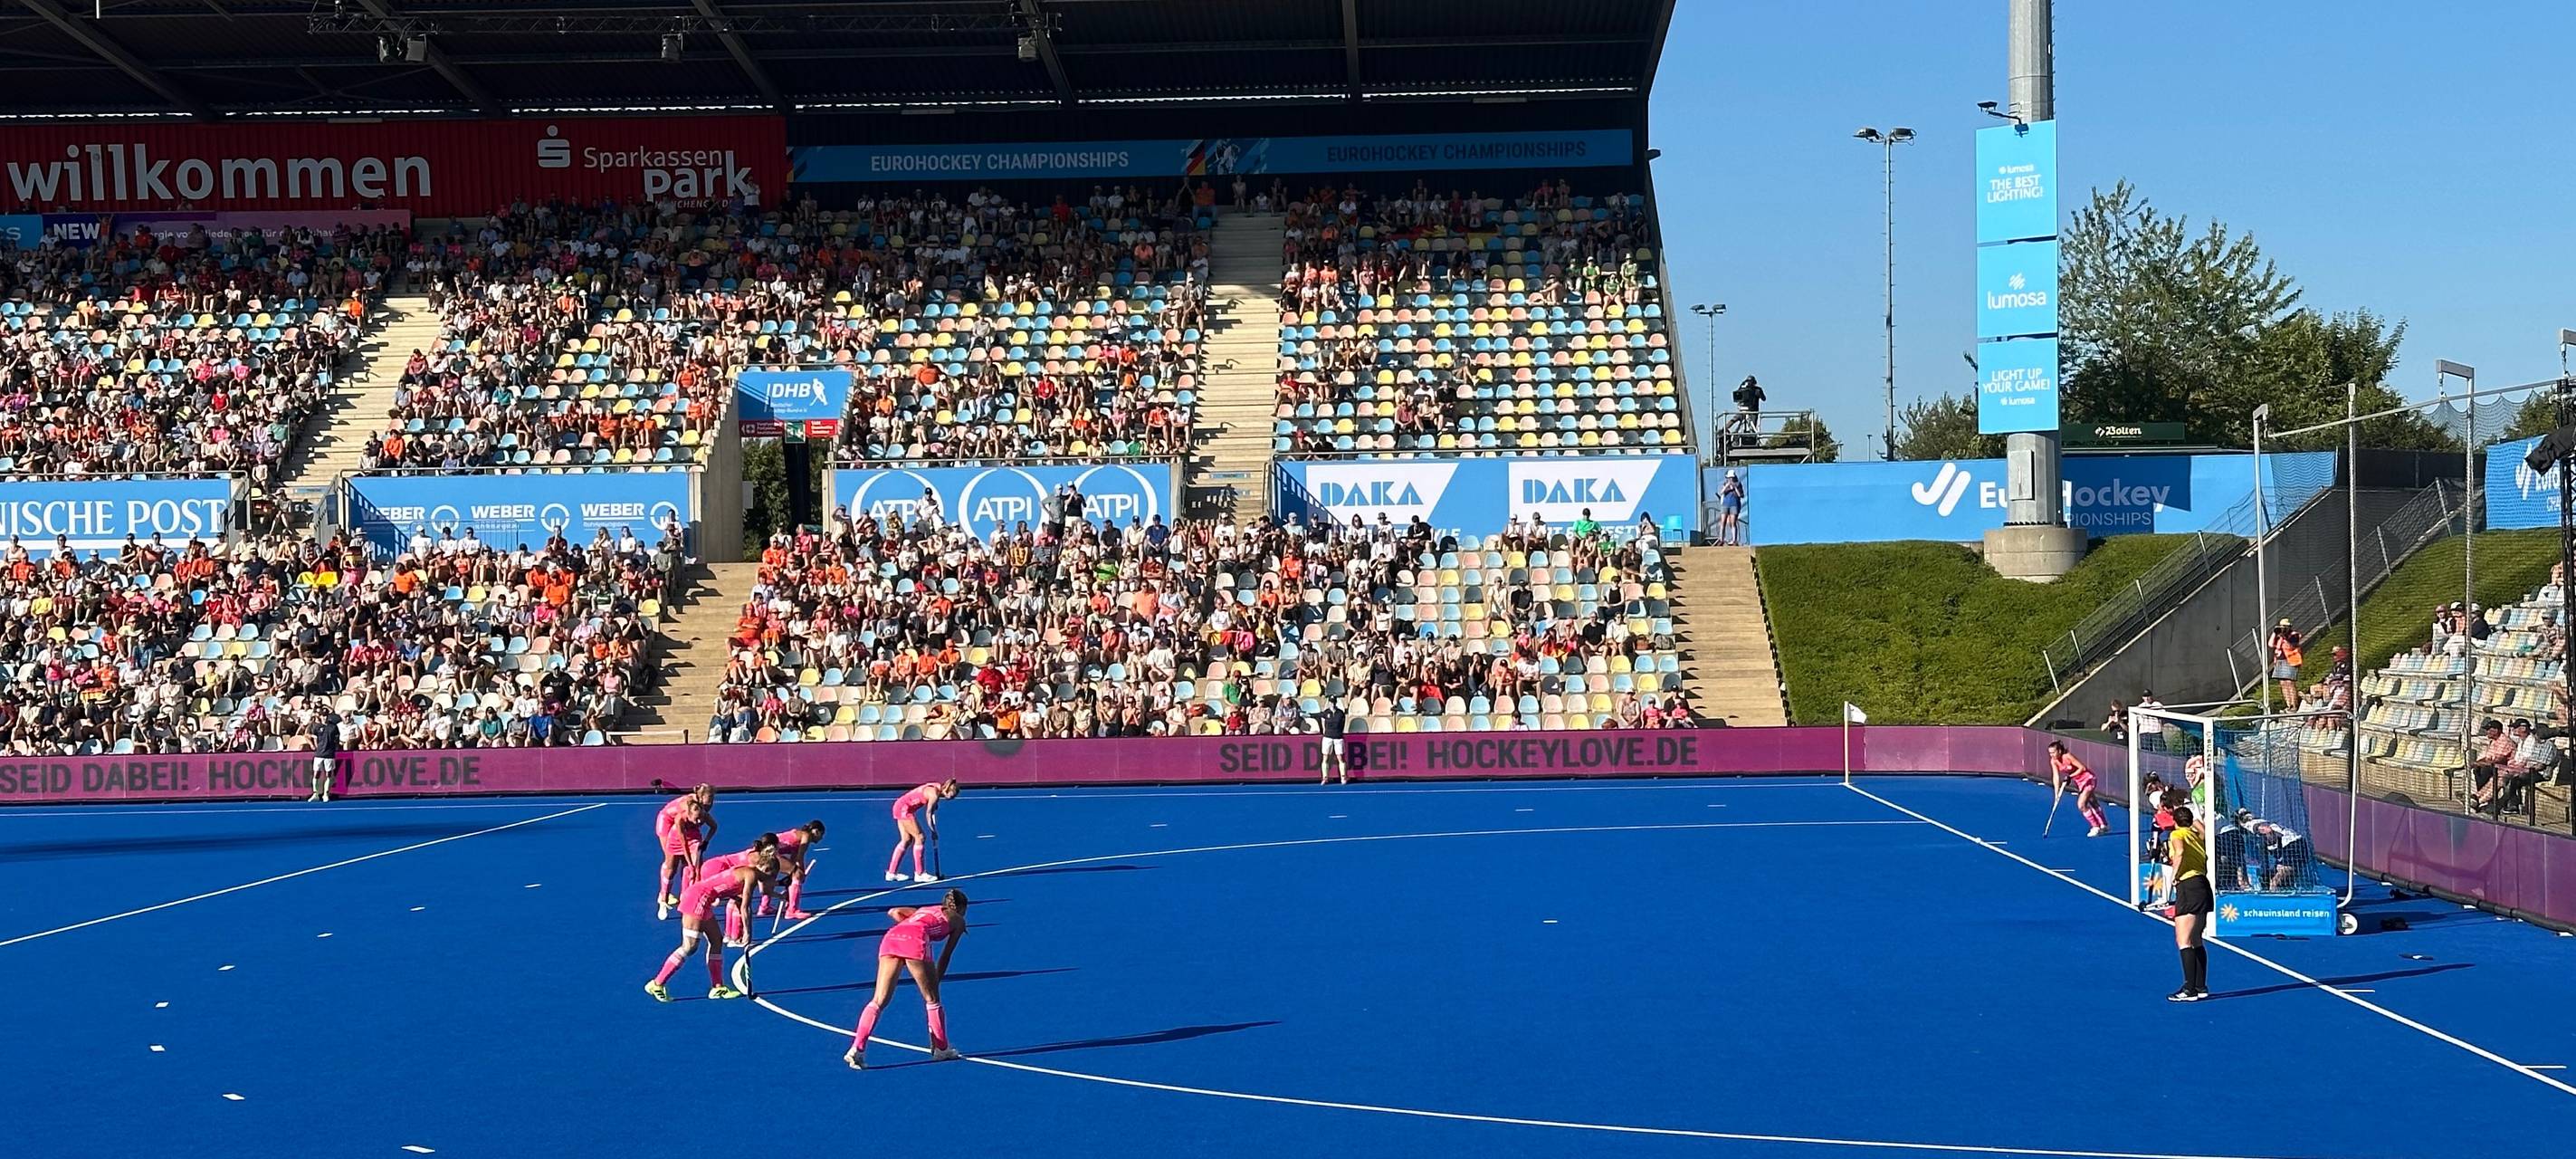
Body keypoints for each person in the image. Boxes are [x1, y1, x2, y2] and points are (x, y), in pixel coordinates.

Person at [844, 889, 971, 1069]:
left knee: (878, 1000)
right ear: (960, 907)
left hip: (892, 937)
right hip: (915, 940)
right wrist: (936, 980)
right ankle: (942, 1048)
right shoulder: (958, 920)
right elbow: (946, 955)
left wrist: (908, 929)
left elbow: (894, 912)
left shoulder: (923, 910)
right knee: (932, 999)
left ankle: (857, 1048)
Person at [645, 841, 776, 1002]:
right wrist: (748, 934)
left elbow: (732, 891)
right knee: (690, 947)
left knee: (716, 940)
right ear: (769, 872)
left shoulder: (748, 872)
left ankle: (717, 987)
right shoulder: (751, 875)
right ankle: (657, 983)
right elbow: (745, 907)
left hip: (704, 899)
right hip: (697, 899)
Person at [2167, 803, 2212, 1001]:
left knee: (2183, 941)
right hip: (2203, 885)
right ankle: (2201, 986)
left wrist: (2173, 877)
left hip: (2189, 886)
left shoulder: (2177, 835)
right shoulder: (2196, 836)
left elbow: (2180, 852)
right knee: (2197, 940)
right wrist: (2193, 819)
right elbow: (2204, 831)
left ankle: (2189, 989)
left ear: (2175, 821)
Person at [654, 784, 717, 919]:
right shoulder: (685, 807)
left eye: (713, 798)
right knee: (671, 864)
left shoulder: (703, 808)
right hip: (668, 823)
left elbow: (709, 823)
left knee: (691, 865)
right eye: (709, 798)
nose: (711, 801)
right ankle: (663, 897)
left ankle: (686, 895)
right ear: (700, 797)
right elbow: (682, 840)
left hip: (688, 826)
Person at [886, 779, 959, 884]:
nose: (953, 798)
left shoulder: (937, 788)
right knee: (920, 837)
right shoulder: (934, 794)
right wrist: (933, 831)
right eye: (953, 795)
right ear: (948, 790)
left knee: (906, 840)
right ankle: (920, 873)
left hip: (900, 806)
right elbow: (928, 814)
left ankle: (891, 873)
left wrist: (934, 805)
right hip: (904, 809)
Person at [759, 820, 825, 922]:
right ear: (816, 831)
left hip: (766, 854)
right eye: (821, 834)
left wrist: (796, 874)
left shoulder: (799, 835)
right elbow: (800, 857)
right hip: (771, 854)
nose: (821, 838)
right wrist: (800, 875)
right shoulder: (806, 836)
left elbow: (794, 860)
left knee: (779, 875)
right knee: (797, 875)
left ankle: (764, 907)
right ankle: (792, 910)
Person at [2046, 740, 2109, 837]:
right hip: (2079, 783)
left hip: (2089, 779)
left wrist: (2070, 777)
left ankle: (2095, 827)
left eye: (2053, 752)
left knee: (2081, 805)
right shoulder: (2054, 761)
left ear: (2059, 751)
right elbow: (2056, 777)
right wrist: (2056, 794)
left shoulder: (2067, 756)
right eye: (2050, 753)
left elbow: (2082, 768)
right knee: (2092, 801)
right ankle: (2104, 825)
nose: (2052, 755)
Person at [2267, 618, 2305, 709]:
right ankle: (2289, 705)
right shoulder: (2279, 636)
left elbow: (2292, 645)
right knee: (2283, 683)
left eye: (2285, 627)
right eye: (2282, 627)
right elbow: (2271, 644)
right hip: (2280, 660)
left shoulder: (2294, 635)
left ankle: (2294, 704)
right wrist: (2275, 633)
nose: (2283, 629)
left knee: (2290, 683)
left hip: (2291, 661)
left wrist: (2284, 637)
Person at [307, 709, 340, 803]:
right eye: (323, 715)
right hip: (319, 753)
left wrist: (334, 748)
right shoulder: (317, 727)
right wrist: (315, 746)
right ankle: (316, 793)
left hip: (329, 754)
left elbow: (337, 739)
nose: (324, 717)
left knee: (328, 774)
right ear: (320, 716)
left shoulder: (333, 727)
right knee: (316, 773)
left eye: (326, 715)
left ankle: (326, 793)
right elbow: (313, 737)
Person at [1316, 697, 1350, 785]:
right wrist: (1324, 731)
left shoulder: (1340, 713)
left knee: (1340, 758)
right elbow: (1322, 720)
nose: (1333, 704)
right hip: (1328, 737)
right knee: (1326, 757)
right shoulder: (1326, 712)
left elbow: (1342, 724)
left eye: (1334, 702)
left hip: (1338, 737)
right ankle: (1325, 777)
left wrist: (1339, 733)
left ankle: (1343, 777)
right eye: (1331, 702)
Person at [1715, 470, 1747, 547]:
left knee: (1732, 523)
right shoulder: (1725, 484)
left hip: (1734, 505)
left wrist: (1735, 487)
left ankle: (1734, 540)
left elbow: (1740, 495)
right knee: (1723, 522)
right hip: (1725, 504)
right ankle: (1721, 539)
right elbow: (1721, 492)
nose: (1730, 479)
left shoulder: (1738, 484)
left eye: (1731, 478)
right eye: (1729, 478)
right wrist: (1727, 486)